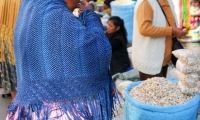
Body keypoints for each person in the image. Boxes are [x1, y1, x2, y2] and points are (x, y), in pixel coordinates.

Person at [6, 0, 119, 119]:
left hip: (30, 109)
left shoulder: (30, 5)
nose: (78, 2)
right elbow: (98, 51)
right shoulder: (56, 14)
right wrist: (90, 16)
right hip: (61, 111)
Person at [131, 0, 187, 80]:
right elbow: (144, 29)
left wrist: (177, 30)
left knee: (161, 88)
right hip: (149, 60)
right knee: (152, 90)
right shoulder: (146, 2)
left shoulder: (168, 1)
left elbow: (167, 24)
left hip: (163, 59)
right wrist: (172, 30)